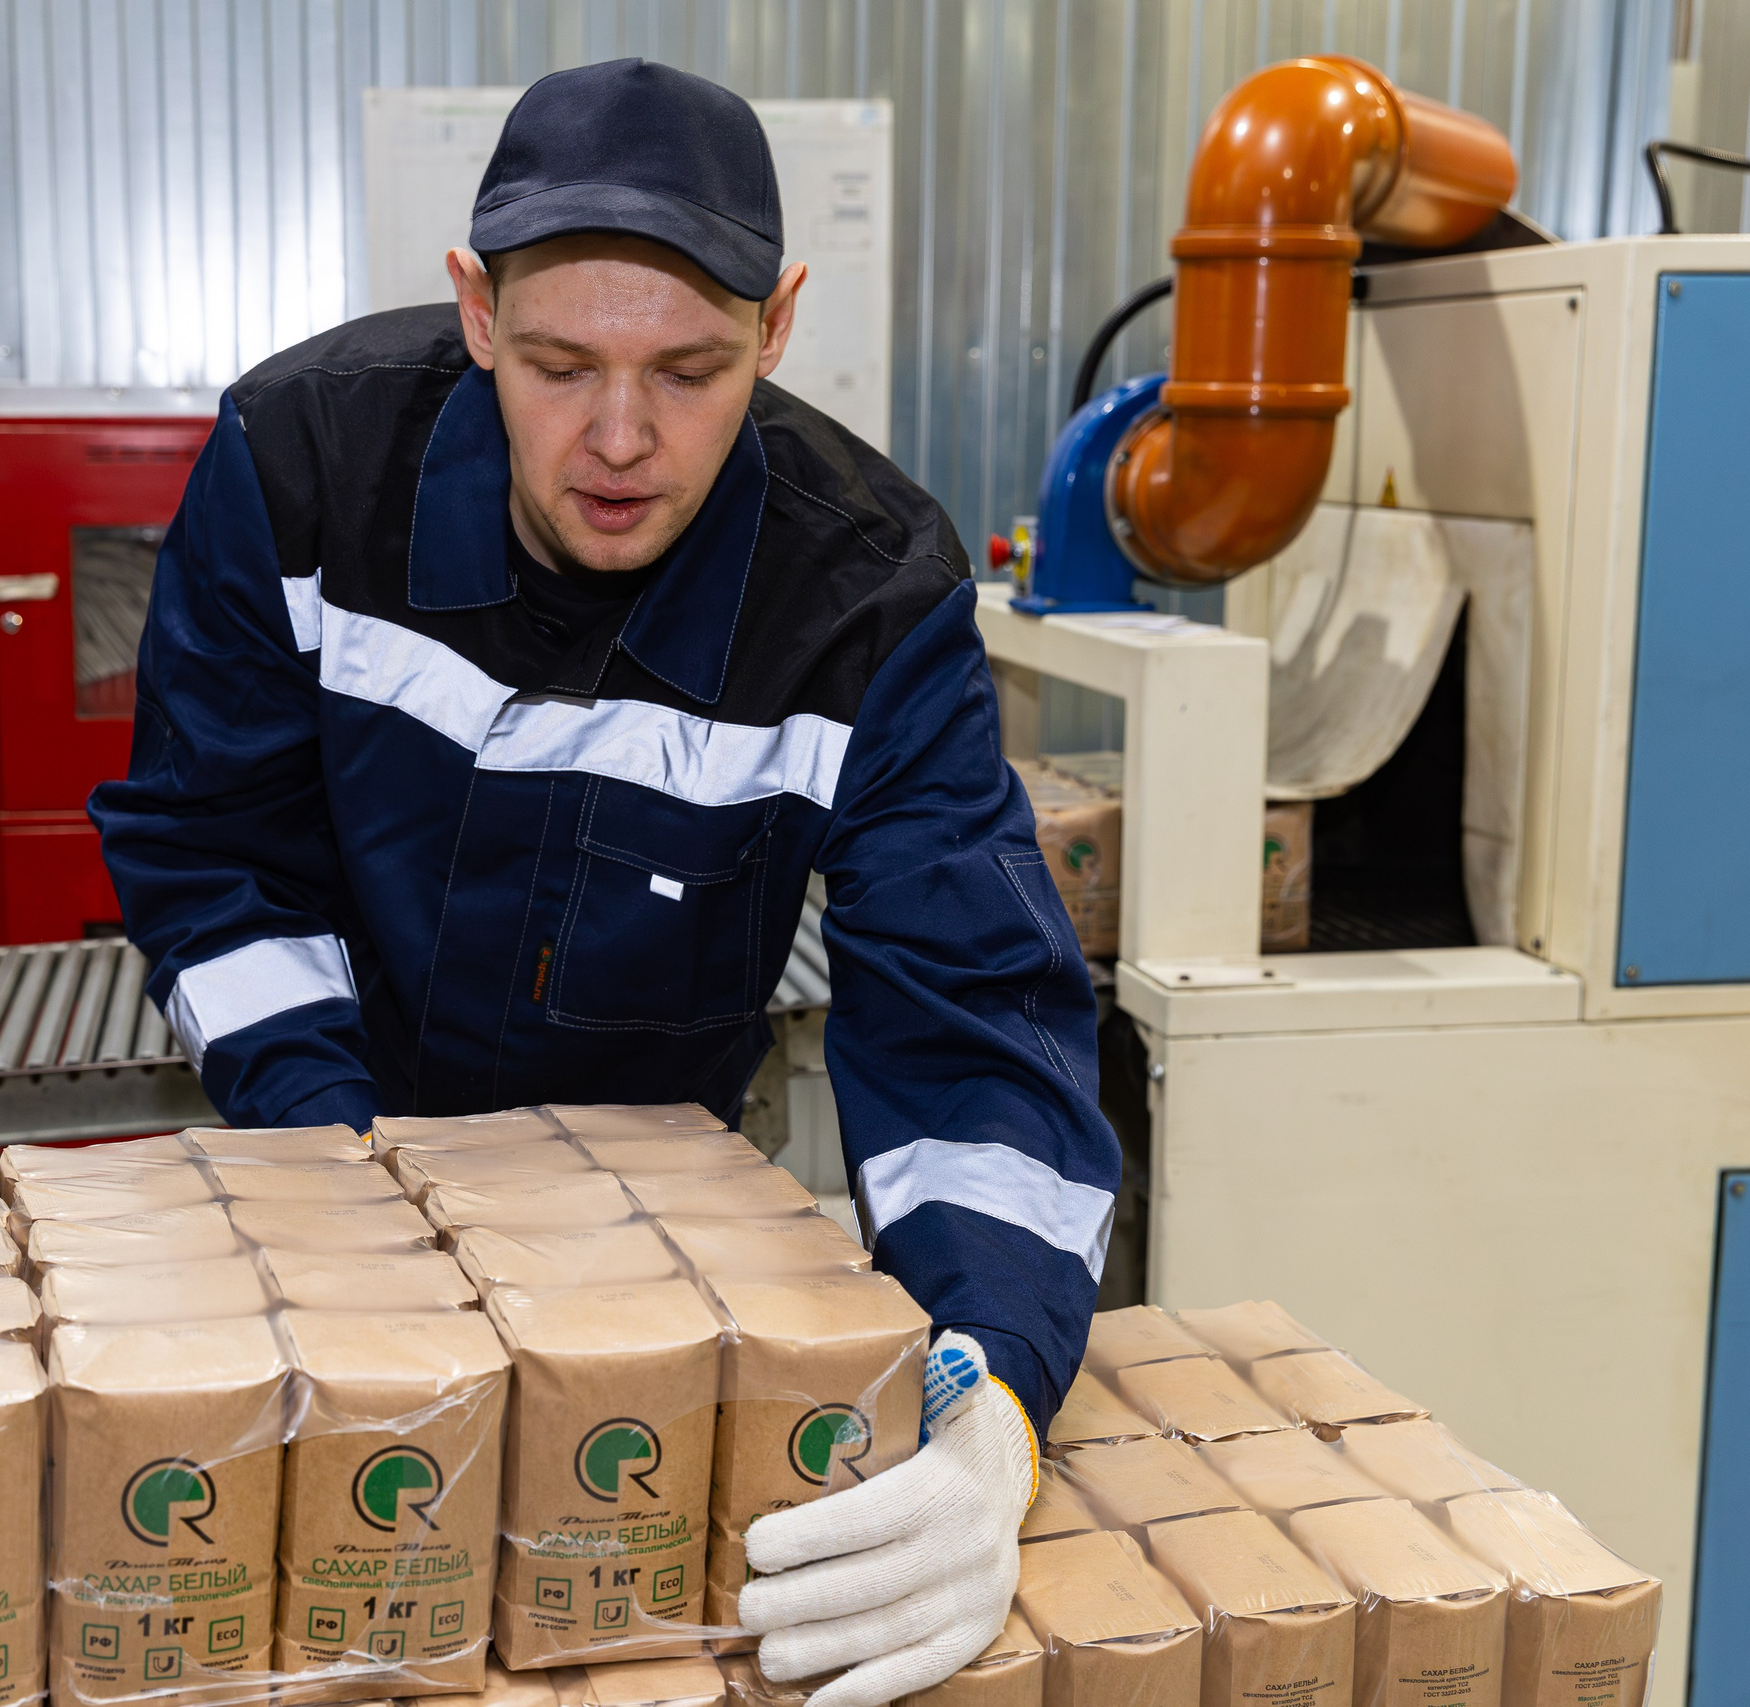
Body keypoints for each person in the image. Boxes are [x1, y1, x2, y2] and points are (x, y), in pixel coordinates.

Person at [92, 59, 1119, 1707]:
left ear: (777, 329)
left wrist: (988, 1392)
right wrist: (338, 1155)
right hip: (325, 1187)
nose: (621, 440)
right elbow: (214, 854)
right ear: (475, 312)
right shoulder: (302, 472)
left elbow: (972, 1021)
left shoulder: (866, 601)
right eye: (561, 366)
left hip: (647, 1239)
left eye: (691, 372)